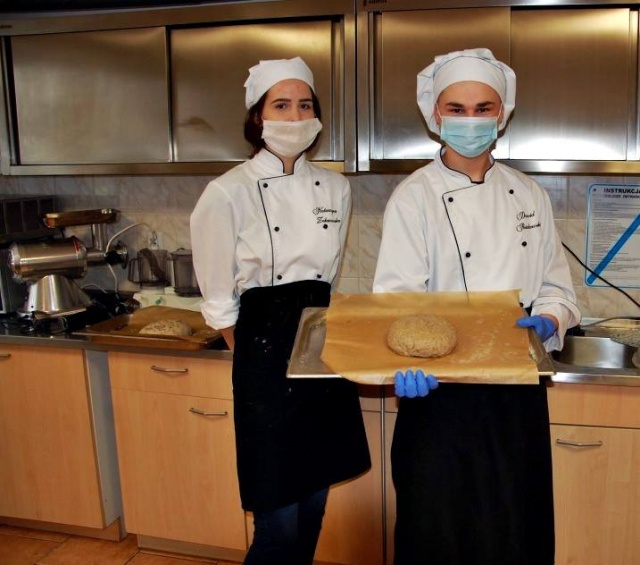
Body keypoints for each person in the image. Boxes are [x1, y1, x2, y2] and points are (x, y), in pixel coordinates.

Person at [373, 48, 581, 565]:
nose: (471, 120)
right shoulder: (413, 197)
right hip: (439, 396)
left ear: (502, 114)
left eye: (483, 108)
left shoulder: (529, 194)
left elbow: (557, 288)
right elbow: (395, 301)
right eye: (457, 109)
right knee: (438, 532)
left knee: (515, 528)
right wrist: (403, 364)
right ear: (435, 115)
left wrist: (549, 318)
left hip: (515, 392)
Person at [190, 56, 371, 565]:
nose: (295, 117)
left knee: (312, 507)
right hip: (263, 354)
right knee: (277, 525)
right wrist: (257, 360)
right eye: (282, 105)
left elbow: (326, 278)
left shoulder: (336, 188)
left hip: (320, 347)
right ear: (258, 117)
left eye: (305, 105)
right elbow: (219, 300)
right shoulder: (227, 192)